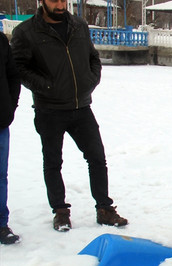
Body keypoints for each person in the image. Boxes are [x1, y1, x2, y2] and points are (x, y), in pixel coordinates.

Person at [11, 0, 128, 231]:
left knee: (97, 158)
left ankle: (104, 208)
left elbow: (93, 57)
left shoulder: (79, 25)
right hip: (49, 109)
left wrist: (90, 80)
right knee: (53, 162)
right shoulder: (26, 32)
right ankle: (61, 212)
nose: (60, 4)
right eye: (54, 0)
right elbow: (19, 67)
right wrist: (46, 86)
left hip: (81, 107)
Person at [0, 32, 21, 245]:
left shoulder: (1, 41)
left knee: (0, 176)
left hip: (0, 122)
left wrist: (9, 107)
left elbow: (13, 75)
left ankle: (1, 224)